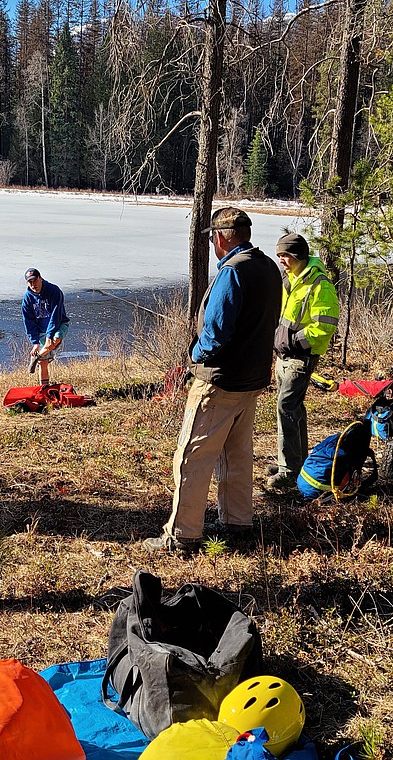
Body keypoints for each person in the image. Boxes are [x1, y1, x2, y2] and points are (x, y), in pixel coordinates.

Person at [143, 207, 282, 554]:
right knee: (237, 455)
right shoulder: (268, 268)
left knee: (192, 456)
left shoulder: (232, 273)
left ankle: (183, 534)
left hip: (219, 383)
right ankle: (237, 521)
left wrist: (195, 354)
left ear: (220, 238)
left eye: (212, 238)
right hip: (250, 381)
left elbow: (217, 332)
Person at [267, 232, 340, 491]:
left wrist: (294, 342)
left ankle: (289, 471)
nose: (281, 260)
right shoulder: (291, 281)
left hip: (300, 358)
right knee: (294, 410)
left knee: (286, 408)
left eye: (285, 255)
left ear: (298, 255)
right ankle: (296, 463)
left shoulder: (319, 285)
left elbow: (325, 326)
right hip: (284, 357)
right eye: (279, 255)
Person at [21, 268, 70, 385]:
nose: (33, 284)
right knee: (43, 363)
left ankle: (36, 357)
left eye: (35, 281)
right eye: (30, 282)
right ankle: (44, 388)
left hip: (59, 324)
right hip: (41, 331)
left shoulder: (54, 291)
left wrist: (49, 337)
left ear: (40, 278)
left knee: (56, 339)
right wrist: (35, 343)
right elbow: (29, 322)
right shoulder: (27, 299)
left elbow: (55, 315)